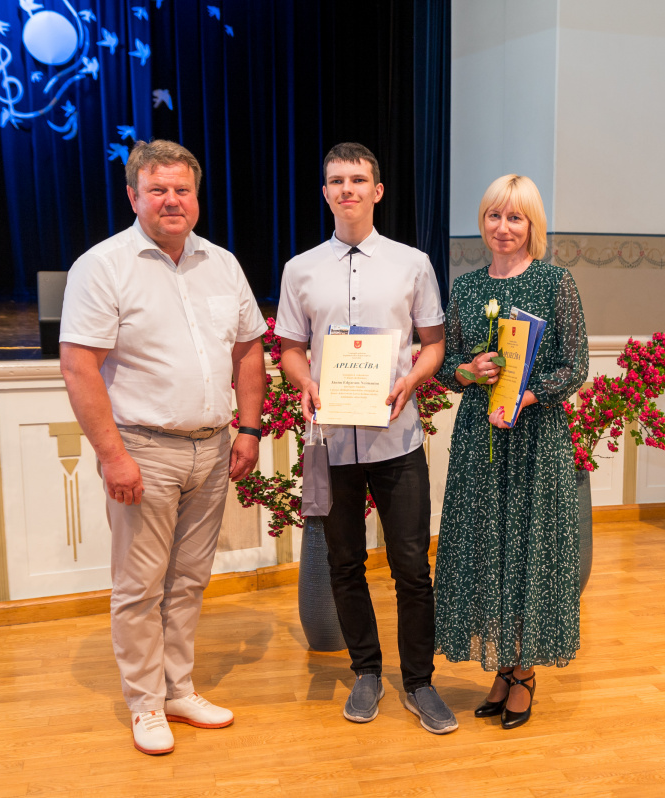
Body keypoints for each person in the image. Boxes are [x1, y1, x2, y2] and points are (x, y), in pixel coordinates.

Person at [59, 140, 268, 756]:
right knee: (140, 586)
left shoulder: (222, 264)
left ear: (196, 197)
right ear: (133, 196)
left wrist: (249, 429)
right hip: (142, 451)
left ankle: (178, 689)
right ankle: (145, 703)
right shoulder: (103, 266)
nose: (171, 200)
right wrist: (112, 456)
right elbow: (78, 366)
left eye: (182, 190)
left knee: (189, 581)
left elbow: (248, 349)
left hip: (214, 448)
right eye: (158, 190)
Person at [274, 142, 456, 734]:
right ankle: (367, 673)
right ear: (325, 192)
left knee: (411, 567)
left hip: (397, 440)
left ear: (377, 191)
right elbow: (290, 349)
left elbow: (433, 344)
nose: (346, 189)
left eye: (357, 179)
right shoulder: (300, 269)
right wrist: (304, 382)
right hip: (332, 442)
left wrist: (412, 380)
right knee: (345, 564)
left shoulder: (412, 263)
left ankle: (420, 682)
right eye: (336, 180)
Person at [433, 174, 589, 730]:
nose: (503, 227)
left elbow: (575, 365)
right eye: (495, 215)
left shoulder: (556, 282)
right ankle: (501, 667)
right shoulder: (467, 288)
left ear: (532, 225)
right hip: (480, 437)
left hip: (535, 437)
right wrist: (467, 371)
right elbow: (446, 367)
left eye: (515, 217)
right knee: (486, 547)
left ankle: (523, 673)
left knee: (528, 547)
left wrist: (529, 394)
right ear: (483, 221)